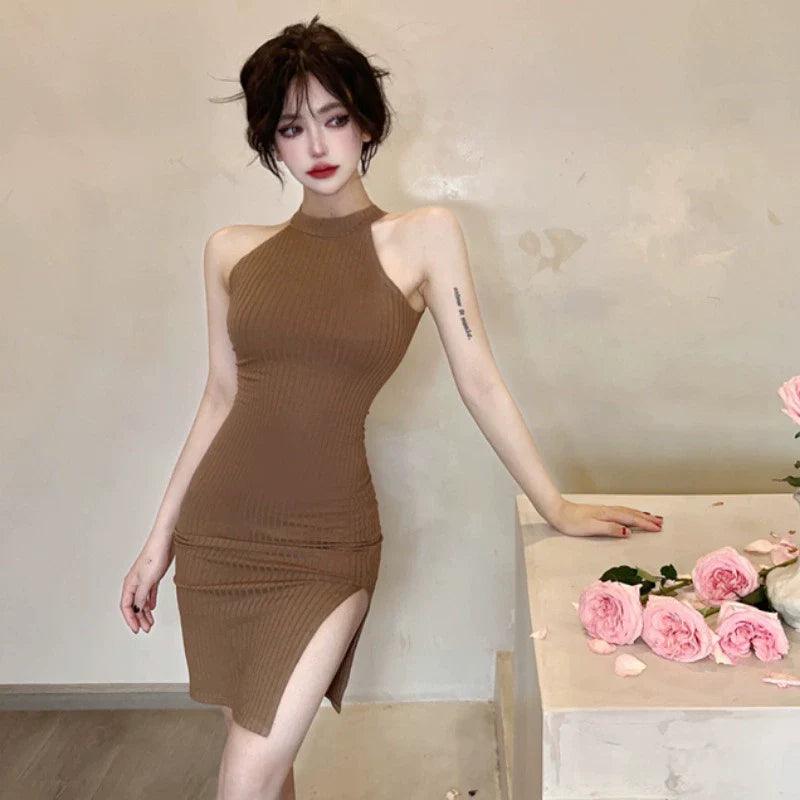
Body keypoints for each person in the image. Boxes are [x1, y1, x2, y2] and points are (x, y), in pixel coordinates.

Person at [119, 15, 663, 800]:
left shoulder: (423, 238)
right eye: (292, 128)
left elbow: (479, 379)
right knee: (267, 770)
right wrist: (157, 541)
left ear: (367, 123)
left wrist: (555, 503)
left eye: (334, 118)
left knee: (243, 780)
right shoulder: (230, 251)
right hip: (220, 537)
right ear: (271, 144)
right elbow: (220, 396)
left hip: (325, 545)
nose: (317, 145)